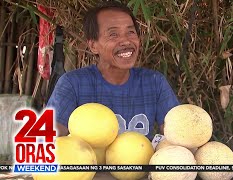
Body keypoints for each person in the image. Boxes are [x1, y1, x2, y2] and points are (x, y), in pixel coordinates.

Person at [46, 1, 180, 140]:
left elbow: (179, 132)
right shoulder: (73, 84)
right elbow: (48, 136)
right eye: (113, 34)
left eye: (131, 32)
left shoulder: (154, 82)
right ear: (93, 46)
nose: (126, 41)